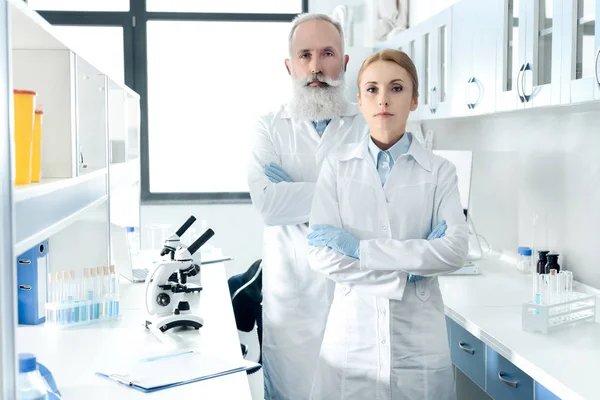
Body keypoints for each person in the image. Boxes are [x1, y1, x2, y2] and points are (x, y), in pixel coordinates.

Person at [306, 49, 469, 399]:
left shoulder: (440, 172)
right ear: (360, 101)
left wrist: (358, 250)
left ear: (414, 100)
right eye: (372, 90)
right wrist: (409, 267)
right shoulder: (336, 168)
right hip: (352, 343)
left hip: (418, 346)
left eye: (396, 88)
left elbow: (455, 250)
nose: (383, 100)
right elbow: (321, 257)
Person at [246, 13, 369, 400]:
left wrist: (297, 195)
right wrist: (343, 194)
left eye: (327, 53)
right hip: (291, 303)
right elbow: (268, 206)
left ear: (345, 62)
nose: (316, 67)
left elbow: (382, 201)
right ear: (289, 65)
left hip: (354, 300)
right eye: (305, 55)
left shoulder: (367, 124)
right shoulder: (268, 127)